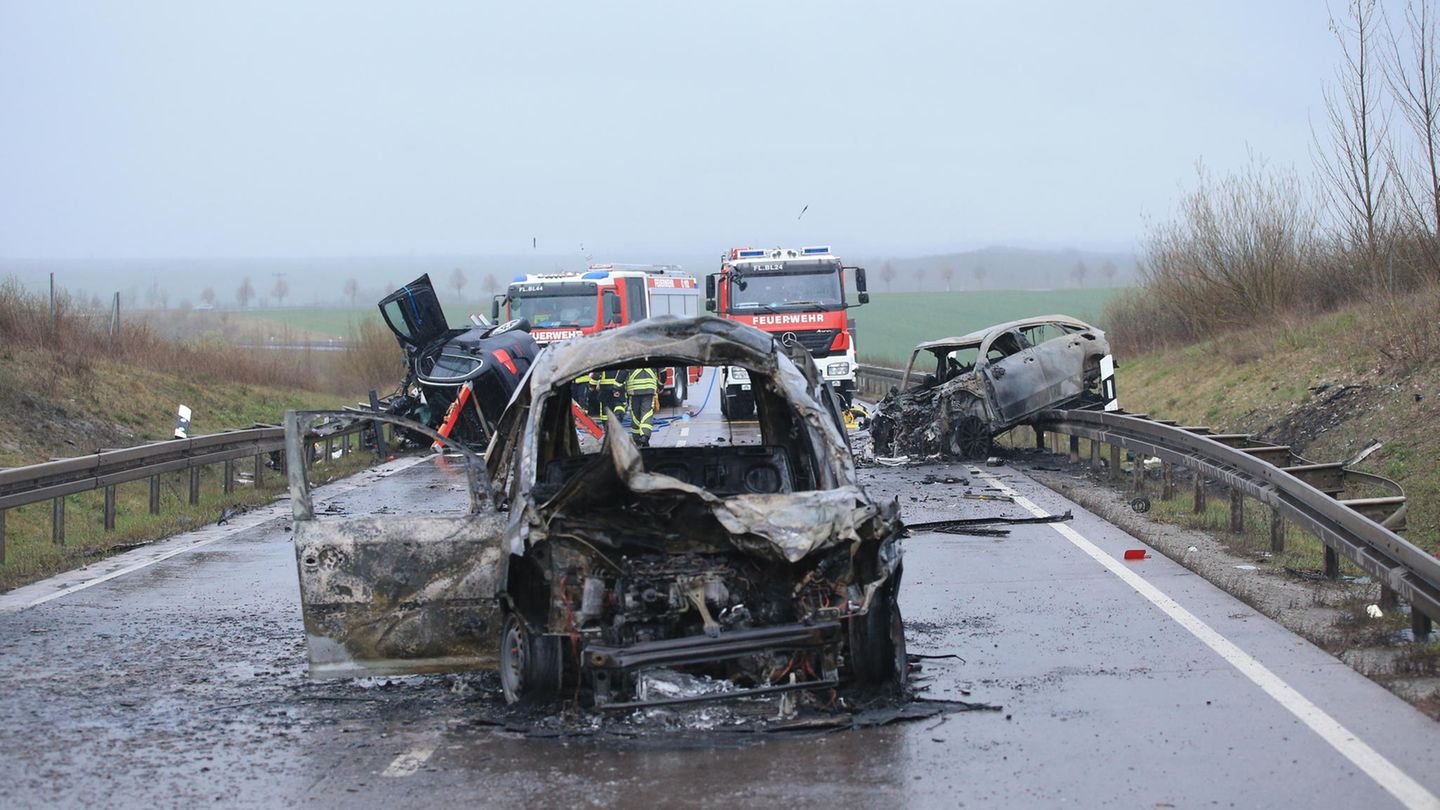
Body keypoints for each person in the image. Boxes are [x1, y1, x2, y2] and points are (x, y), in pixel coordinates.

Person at [623, 366, 659, 446]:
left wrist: (617, 386)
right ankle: (645, 436)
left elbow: (623, 372)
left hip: (634, 390)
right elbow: (662, 371)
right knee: (647, 413)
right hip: (649, 389)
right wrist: (661, 385)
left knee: (635, 415)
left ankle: (637, 438)